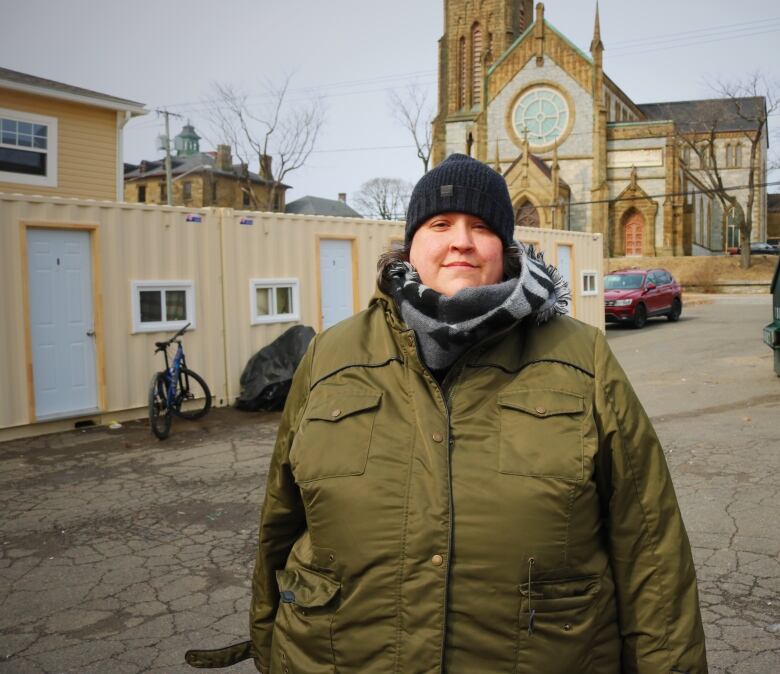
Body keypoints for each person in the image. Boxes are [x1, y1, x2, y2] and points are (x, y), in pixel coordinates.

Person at [186, 154, 707, 673]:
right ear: (410, 244)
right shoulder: (331, 356)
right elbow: (281, 520)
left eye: (481, 227)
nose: (461, 240)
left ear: (505, 249)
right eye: (441, 224)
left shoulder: (582, 357)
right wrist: (267, 643)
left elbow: (648, 541)